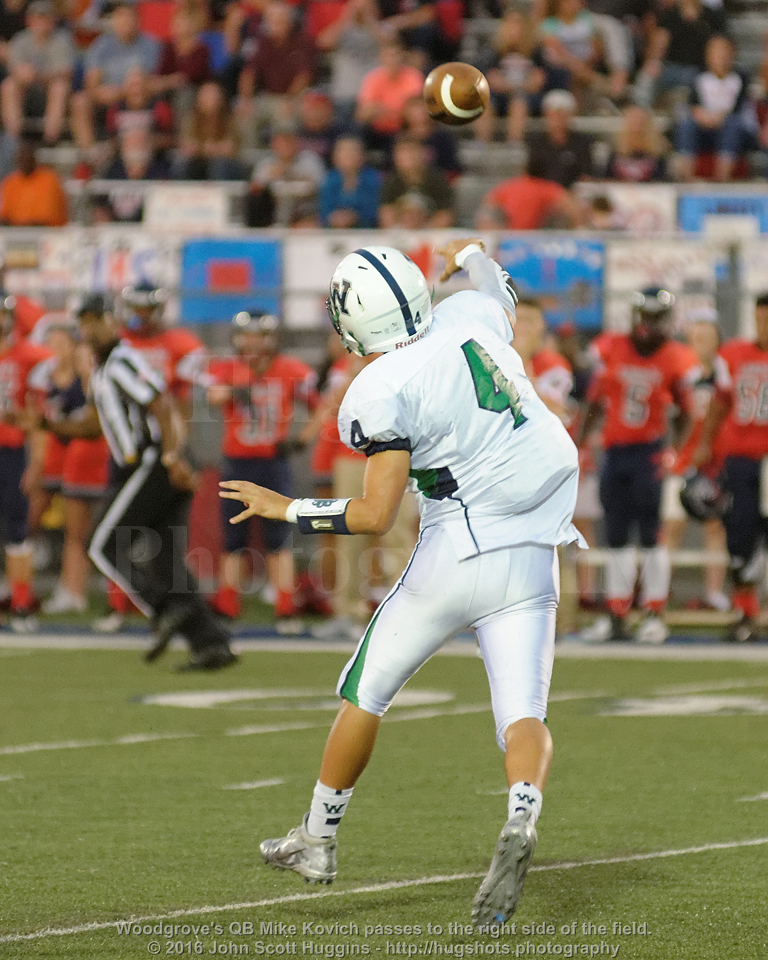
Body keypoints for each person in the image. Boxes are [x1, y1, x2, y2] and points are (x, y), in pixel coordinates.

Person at [220, 238, 583, 923]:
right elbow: (494, 284)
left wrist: (288, 508)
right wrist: (472, 254)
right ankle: (522, 812)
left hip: (457, 552)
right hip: (536, 548)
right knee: (523, 716)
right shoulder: (471, 316)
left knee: (367, 691)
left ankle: (319, 840)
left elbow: (375, 513)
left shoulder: (380, 387)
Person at [36, 293, 236, 670]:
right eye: (84, 321)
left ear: (112, 320)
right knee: (163, 558)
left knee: (101, 542)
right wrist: (47, 424)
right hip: (147, 463)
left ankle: (162, 608)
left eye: (96, 319)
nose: (89, 328)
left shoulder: (122, 359)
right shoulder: (103, 368)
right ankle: (211, 644)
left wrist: (174, 456)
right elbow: (95, 425)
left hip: (153, 461)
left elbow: (162, 404)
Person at [577, 287, 698, 644]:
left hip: (649, 452)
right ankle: (617, 614)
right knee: (615, 536)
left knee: (650, 536)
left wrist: (676, 451)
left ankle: (653, 612)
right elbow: (594, 401)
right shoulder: (611, 347)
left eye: (654, 317)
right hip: (615, 452)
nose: (647, 324)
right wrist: (580, 444)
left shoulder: (676, 357)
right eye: (643, 315)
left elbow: (688, 413)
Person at [208, 311, 319, 626]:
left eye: (259, 336)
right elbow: (212, 394)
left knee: (278, 538)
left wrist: (302, 438)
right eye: (248, 335)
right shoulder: (228, 369)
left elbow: (321, 404)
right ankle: (227, 605)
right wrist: (232, 392)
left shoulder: (290, 369)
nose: (253, 342)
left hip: (272, 462)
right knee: (233, 538)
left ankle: (285, 606)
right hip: (237, 462)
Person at [692, 294, 768, 642]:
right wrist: (706, 445)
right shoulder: (733, 354)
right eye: (760, 318)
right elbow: (720, 404)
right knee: (739, 533)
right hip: (741, 458)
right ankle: (744, 610)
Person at [27, 324, 110, 614]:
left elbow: (90, 425)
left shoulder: (99, 383)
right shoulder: (45, 380)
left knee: (97, 533)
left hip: (97, 461)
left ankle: (96, 595)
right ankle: (64, 588)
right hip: (67, 460)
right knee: (63, 530)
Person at [663, 309, 728, 612]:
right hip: (683, 460)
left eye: (707, 337)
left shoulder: (724, 374)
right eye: (696, 337)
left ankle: (714, 593)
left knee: (716, 526)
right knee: (672, 527)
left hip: (715, 463)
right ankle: (660, 590)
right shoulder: (680, 374)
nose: (701, 343)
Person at [0, 289, 50, 631]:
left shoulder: (30, 357)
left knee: (17, 528)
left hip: (10, 451)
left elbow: (37, 419)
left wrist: (37, 463)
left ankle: (21, 601)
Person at [70, 0, 160, 153]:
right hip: (106, 96)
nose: (125, 22)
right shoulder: (101, 46)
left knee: (138, 90)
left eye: (129, 17)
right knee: (79, 102)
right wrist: (101, 93)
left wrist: (124, 91)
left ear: (138, 20)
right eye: (120, 17)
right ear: (113, 21)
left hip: (138, 96)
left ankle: (137, 154)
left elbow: (154, 80)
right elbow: (91, 82)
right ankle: (89, 154)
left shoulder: (150, 45)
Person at [0, 0, 75, 144]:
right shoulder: (20, 40)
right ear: (29, 20)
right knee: (8, 86)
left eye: (44, 18)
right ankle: (13, 138)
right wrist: (25, 74)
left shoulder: (61, 41)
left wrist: (39, 75)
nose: (40, 23)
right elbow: (14, 69)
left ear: (52, 21)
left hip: (48, 91)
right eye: (37, 18)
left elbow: (66, 72)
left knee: (59, 87)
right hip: (26, 92)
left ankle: (50, 139)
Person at [675, 35, 747, 182]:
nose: (720, 55)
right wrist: (703, 116)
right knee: (687, 125)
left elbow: (739, 107)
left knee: (733, 124)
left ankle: (722, 178)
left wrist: (720, 117)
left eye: (724, 50)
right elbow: (692, 104)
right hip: (703, 124)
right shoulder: (697, 76)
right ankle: (687, 178)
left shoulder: (740, 77)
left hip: (728, 125)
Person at [476, 154, 582, 230]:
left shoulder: (510, 186)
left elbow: (487, 203)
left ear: (524, 169)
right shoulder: (545, 188)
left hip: (511, 235)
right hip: (526, 236)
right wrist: (577, 227)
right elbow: (571, 207)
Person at [379, 135, 453, 228]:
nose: (407, 157)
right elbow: (386, 215)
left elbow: (445, 214)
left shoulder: (436, 180)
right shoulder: (391, 182)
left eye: (411, 152)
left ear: (422, 154)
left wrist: (427, 230)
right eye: (402, 153)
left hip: (430, 234)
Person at [526, 88, 593, 189]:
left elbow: (586, 177)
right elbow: (530, 176)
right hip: (543, 195)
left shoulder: (582, 142)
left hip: (572, 195)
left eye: (561, 115)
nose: (557, 120)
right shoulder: (536, 143)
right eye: (553, 115)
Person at [0, 136, 67, 226]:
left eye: (26, 155)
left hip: (46, 233)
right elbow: (4, 216)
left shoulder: (49, 179)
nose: (24, 160)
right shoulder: (10, 182)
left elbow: (47, 218)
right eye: (21, 156)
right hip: (15, 233)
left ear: (33, 157)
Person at [319, 135, 381, 229]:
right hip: (333, 229)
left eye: (353, 152)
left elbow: (373, 210)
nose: (349, 156)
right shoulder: (329, 180)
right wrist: (335, 217)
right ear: (335, 157)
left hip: (366, 230)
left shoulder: (372, 179)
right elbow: (324, 209)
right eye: (344, 152)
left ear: (362, 156)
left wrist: (354, 217)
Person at [602, 104, 668, 181]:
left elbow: (663, 182)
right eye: (632, 122)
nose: (637, 127)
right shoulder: (615, 153)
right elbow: (606, 179)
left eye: (640, 122)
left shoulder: (658, 157)